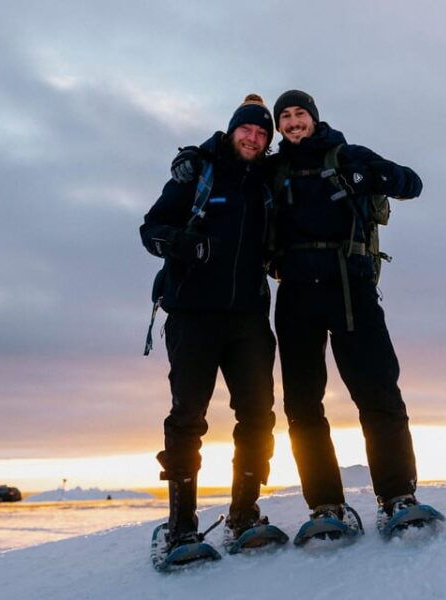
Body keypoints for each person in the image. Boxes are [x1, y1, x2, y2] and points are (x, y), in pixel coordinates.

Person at [268, 90, 425, 528]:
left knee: (378, 392)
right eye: (286, 116)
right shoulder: (273, 169)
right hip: (296, 292)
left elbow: (411, 183)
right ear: (279, 127)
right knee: (302, 404)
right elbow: (228, 171)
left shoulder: (348, 154)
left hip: (351, 287)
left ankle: (397, 497)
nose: (294, 121)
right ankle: (326, 507)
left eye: (301, 113)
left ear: (314, 119)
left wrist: (369, 178)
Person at [139, 94, 278, 553]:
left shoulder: (267, 183)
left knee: (258, 415)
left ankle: (244, 515)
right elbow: (152, 229)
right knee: (187, 418)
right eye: (247, 130)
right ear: (232, 130)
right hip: (193, 314)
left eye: (262, 133)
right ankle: (181, 524)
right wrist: (188, 246)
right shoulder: (199, 172)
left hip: (249, 319)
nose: (253, 138)